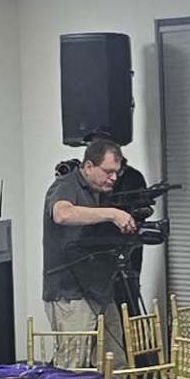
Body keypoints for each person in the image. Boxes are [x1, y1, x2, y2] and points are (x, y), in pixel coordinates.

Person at [41, 135, 146, 352]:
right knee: (74, 364)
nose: (113, 178)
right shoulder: (66, 186)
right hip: (71, 293)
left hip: (100, 290)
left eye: (116, 173)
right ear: (89, 166)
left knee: (115, 362)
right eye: (108, 172)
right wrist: (112, 214)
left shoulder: (101, 193)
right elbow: (62, 214)